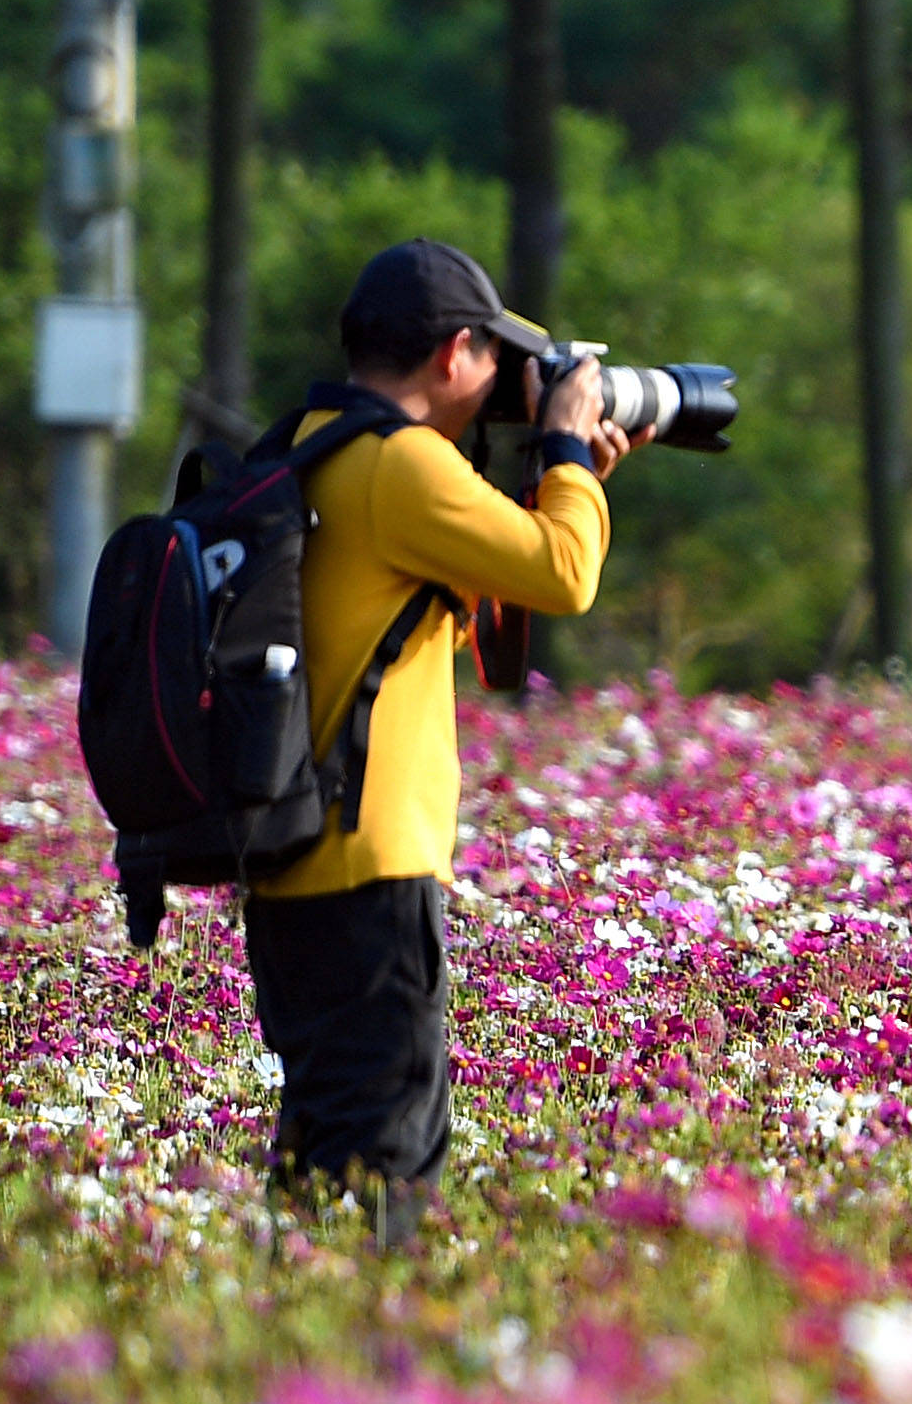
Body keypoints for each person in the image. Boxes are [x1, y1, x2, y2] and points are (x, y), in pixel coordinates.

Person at [245, 237, 632, 1243]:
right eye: (498, 360)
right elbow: (562, 575)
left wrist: (567, 473)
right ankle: (362, 1364)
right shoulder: (404, 466)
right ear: (456, 353)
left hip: (290, 872)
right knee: (387, 1159)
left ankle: (287, 1346)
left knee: (327, 1145)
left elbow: (493, 622)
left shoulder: (316, 442)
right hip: (372, 871)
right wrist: (560, 455)